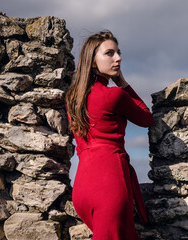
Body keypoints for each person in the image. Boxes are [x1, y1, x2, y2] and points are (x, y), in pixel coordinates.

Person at [65, 30, 153, 239]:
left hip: (82, 187)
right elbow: (146, 118)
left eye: (118, 52)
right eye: (110, 53)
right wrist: (122, 81)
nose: (118, 58)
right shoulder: (115, 94)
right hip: (108, 182)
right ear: (93, 61)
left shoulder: (72, 99)